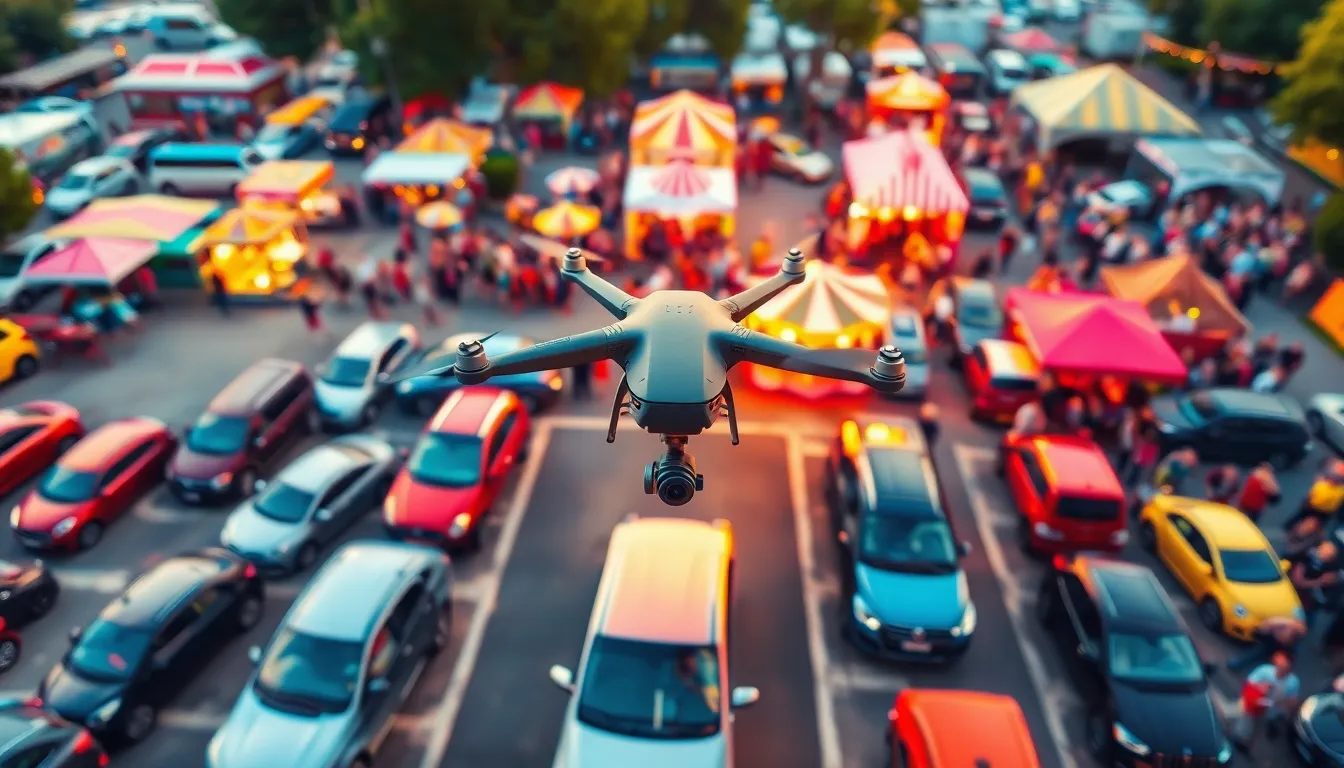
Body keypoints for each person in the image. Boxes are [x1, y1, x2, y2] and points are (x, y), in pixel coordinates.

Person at [1232, 651, 1300, 754]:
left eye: (1285, 669)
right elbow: (1249, 683)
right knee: (1244, 724)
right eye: (1280, 667)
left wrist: (1285, 704)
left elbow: (1293, 701)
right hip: (1254, 705)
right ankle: (1237, 738)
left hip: (1270, 712)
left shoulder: (1293, 682)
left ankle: (1247, 745)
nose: (1281, 671)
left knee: (1258, 730)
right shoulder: (1265, 671)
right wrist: (1261, 687)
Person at [1289, 539, 1341, 630]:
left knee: (1305, 626)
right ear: (1319, 548)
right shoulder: (1305, 558)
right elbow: (1298, 581)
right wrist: (1321, 581)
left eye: (1331, 553)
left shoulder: (1329, 565)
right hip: (1296, 599)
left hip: (1312, 604)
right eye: (1326, 551)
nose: (1329, 555)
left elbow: (1335, 578)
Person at [1226, 616, 1306, 673]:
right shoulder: (1287, 624)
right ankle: (1238, 666)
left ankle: (1240, 667)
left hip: (1278, 645)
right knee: (1257, 656)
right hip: (1274, 643)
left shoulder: (1295, 629)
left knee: (1259, 657)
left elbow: (1269, 624)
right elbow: (1269, 624)